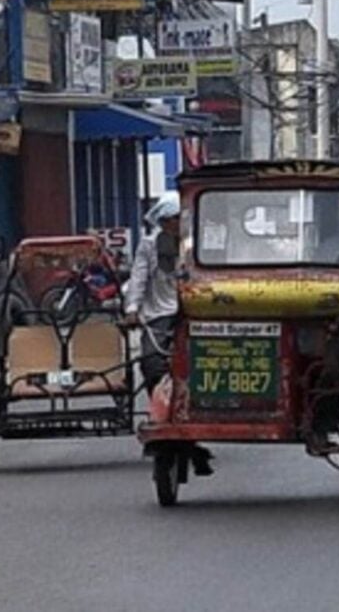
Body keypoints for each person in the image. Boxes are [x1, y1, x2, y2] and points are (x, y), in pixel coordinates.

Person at [124, 191, 214, 476]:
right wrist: (132, 309)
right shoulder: (150, 246)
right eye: (170, 220)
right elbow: (139, 278)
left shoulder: (199, 243)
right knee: (151, 364)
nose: (174, 225)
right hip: (161, 314)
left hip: (195, 312)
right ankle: (163, 417)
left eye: (178, 219)